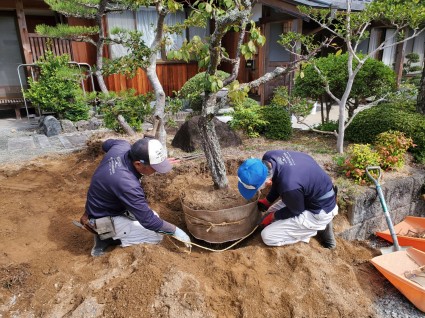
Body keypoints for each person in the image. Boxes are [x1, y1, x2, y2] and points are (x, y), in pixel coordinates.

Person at [80, 136, 191, 256]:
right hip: (100, 218)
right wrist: (176, 232)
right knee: (155, 236)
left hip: (104, 205)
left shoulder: (121, 146)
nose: (157, 171)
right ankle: (105, 237)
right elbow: (148, 222)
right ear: (138, 164)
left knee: (155, 216)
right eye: (155, 168)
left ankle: (109, 231)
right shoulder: (127, 184)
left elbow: (106, 144)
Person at [237, 150, 338, 248]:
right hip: (310, 195)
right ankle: (316, 225)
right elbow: (278, 178)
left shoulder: (289, 186)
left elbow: (297, 210)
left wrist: (273, 216)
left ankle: (310, 231)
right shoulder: (270, 156)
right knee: (267, 214)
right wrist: (268, 200)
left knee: (267, 236)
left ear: (268, 182)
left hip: (318, 211)